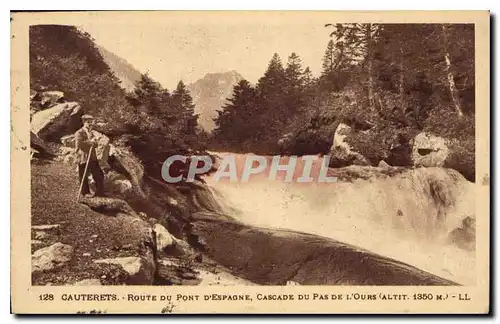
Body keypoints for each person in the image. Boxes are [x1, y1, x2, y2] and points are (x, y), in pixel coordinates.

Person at [75, 114, 105, 197]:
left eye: (91, 122)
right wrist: (91, 142)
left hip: (92, 157)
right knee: (83, 175)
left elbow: (95, 145)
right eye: (88, 122)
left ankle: (100, 192)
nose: (90, 124)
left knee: (99, 174)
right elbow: (80, 144)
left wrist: (94, 142)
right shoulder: (79, 132)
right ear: (84, 122)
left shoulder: (91, 133)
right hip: (83, 157)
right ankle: (85, 192)